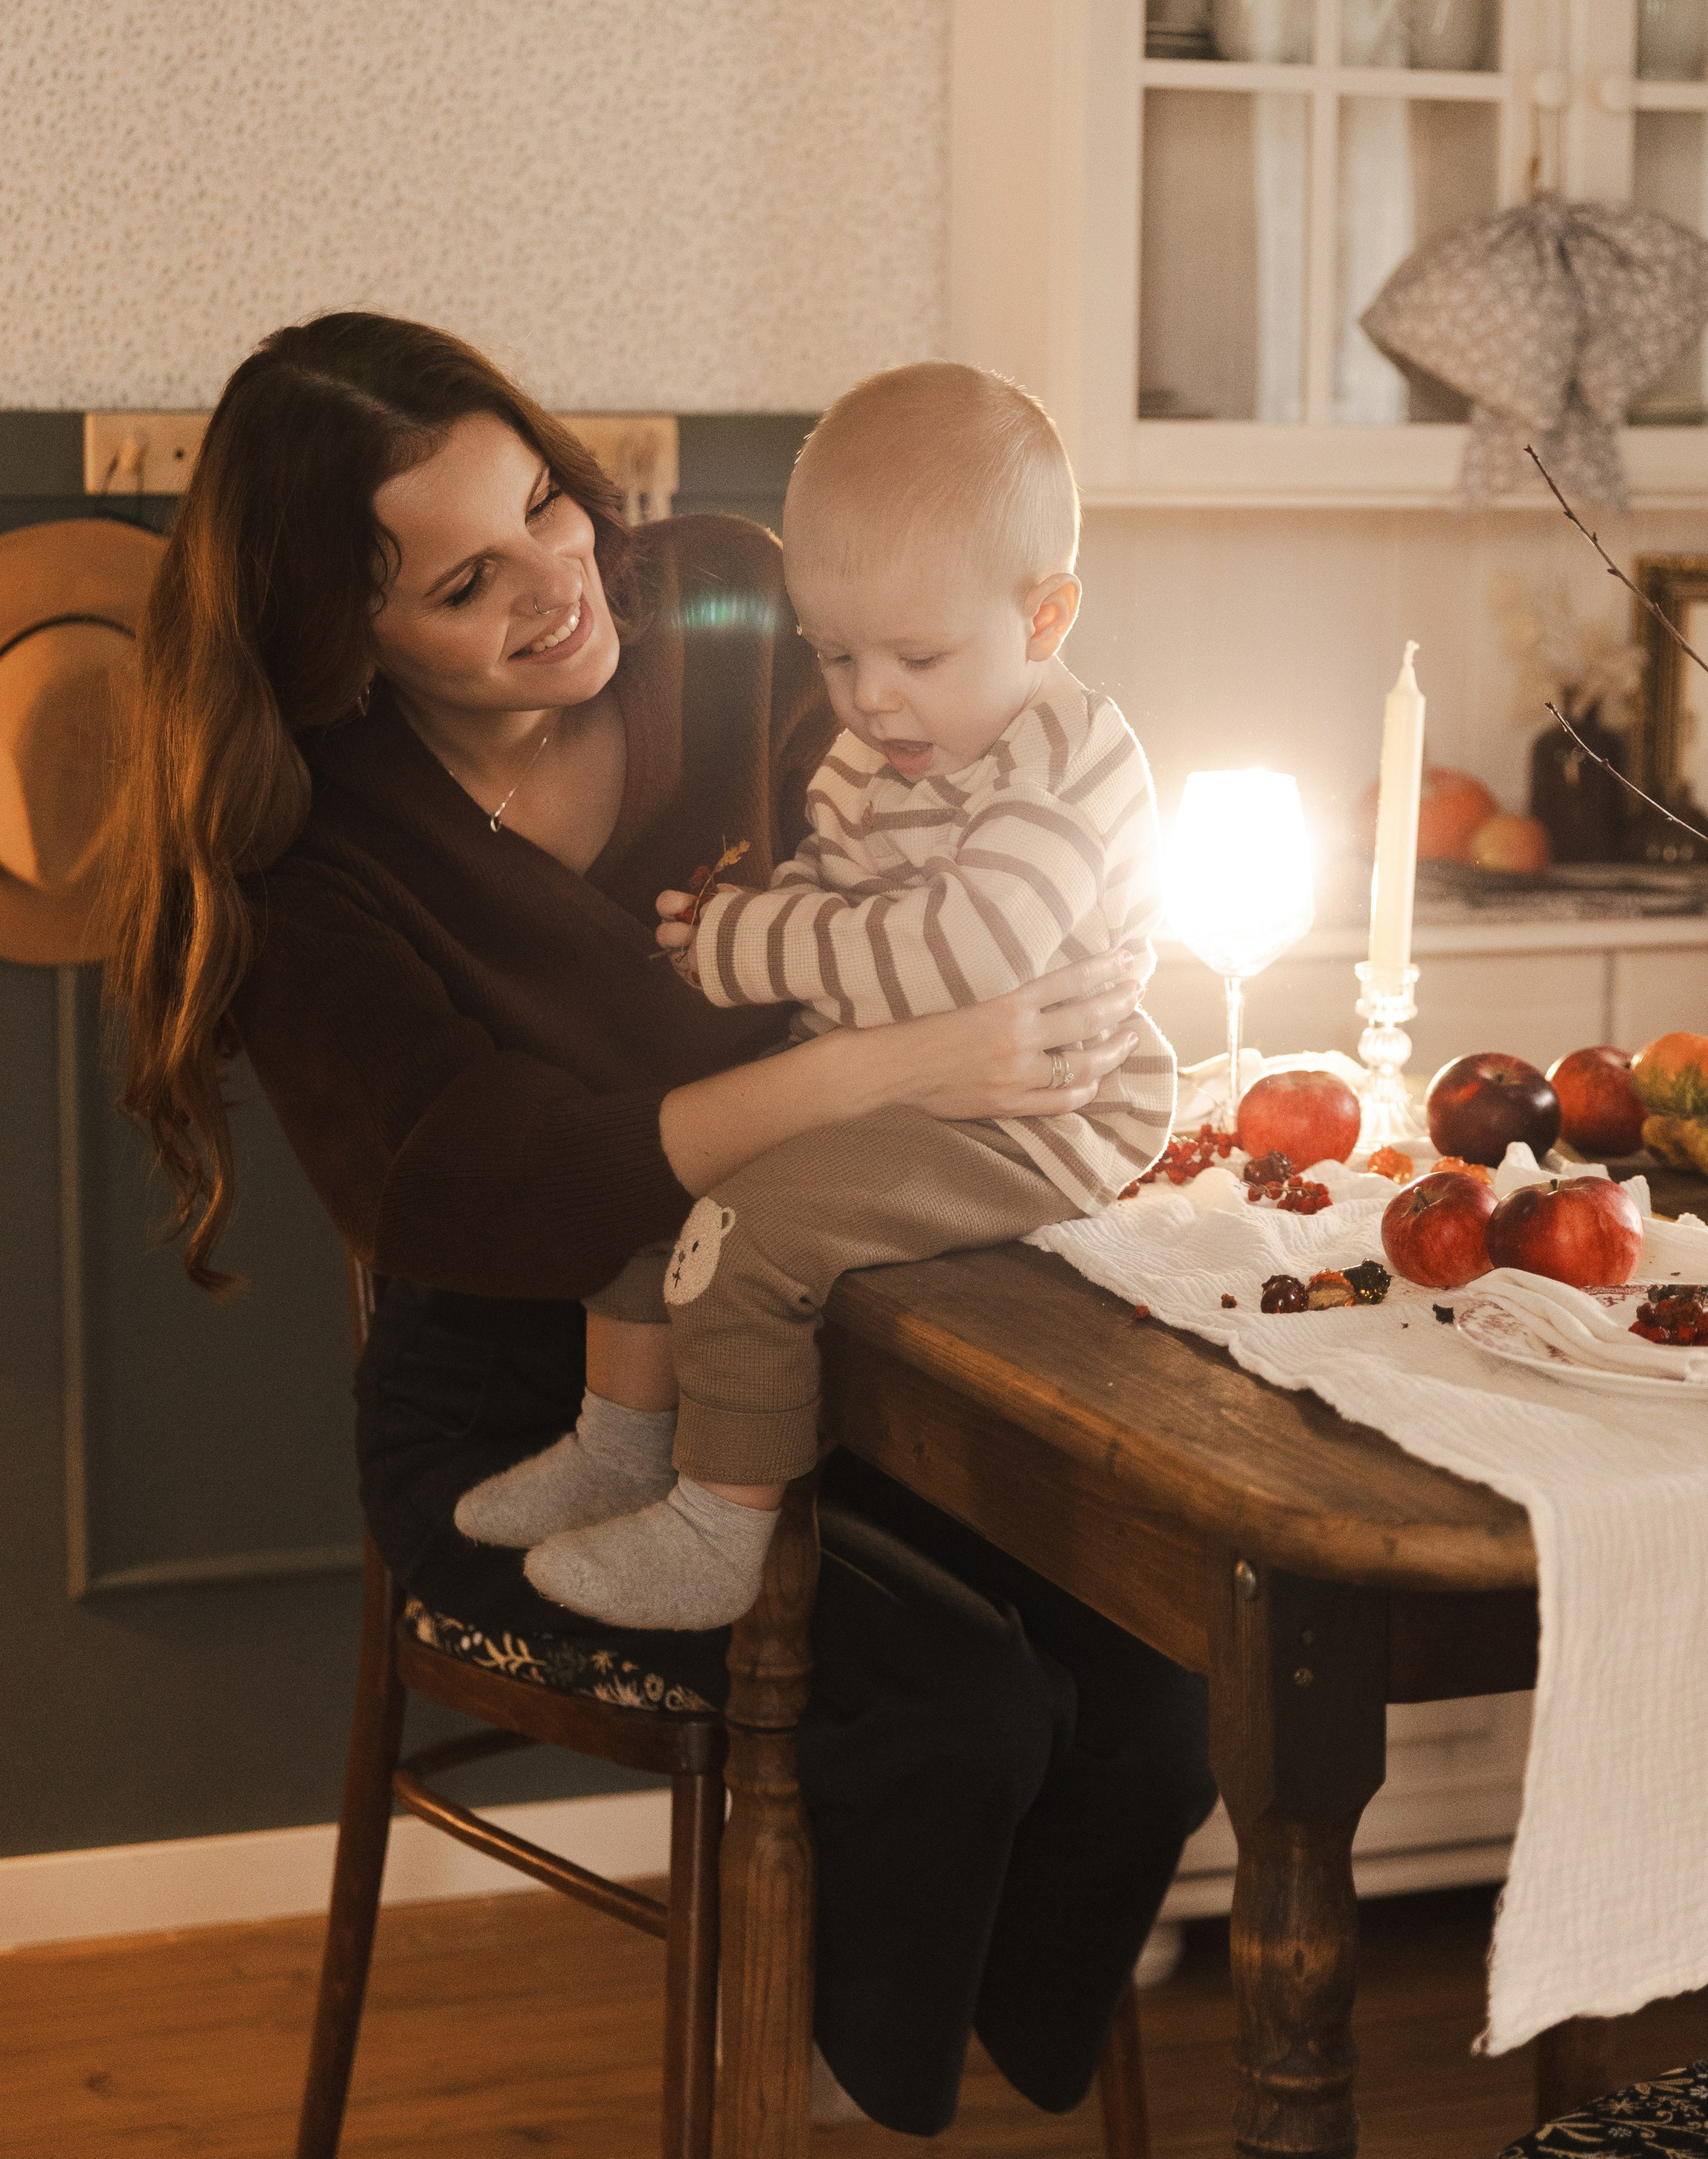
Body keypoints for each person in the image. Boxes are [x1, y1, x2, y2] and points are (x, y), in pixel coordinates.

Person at [104, 311, 1215, 2137]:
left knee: (1153, 1677)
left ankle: (973, 2052)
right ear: (348, 644)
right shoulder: (320, 861)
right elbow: (483, 1181)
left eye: (545, 497)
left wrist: (1081, 959)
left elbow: (982, 735)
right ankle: (850, 2097)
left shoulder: (724, 609)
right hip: (536, 1420)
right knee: (953, 1709)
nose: (559, 579)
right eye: (470, 581)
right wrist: (910, 1060)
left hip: (845, 1340)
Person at [458, 362, 1176, 1633]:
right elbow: (838, 886)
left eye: (915, 654)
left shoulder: (1060, 772)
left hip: (1044, 1109)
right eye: (834, 653)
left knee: (754, 1233)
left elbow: (962, 954)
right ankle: (620, 1442)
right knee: (659, 1157)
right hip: (910, 1074)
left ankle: (718, 1526)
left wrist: (738, 944)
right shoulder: (892, 745)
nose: (868, 695)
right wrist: (769, 934)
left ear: (1048, 618)